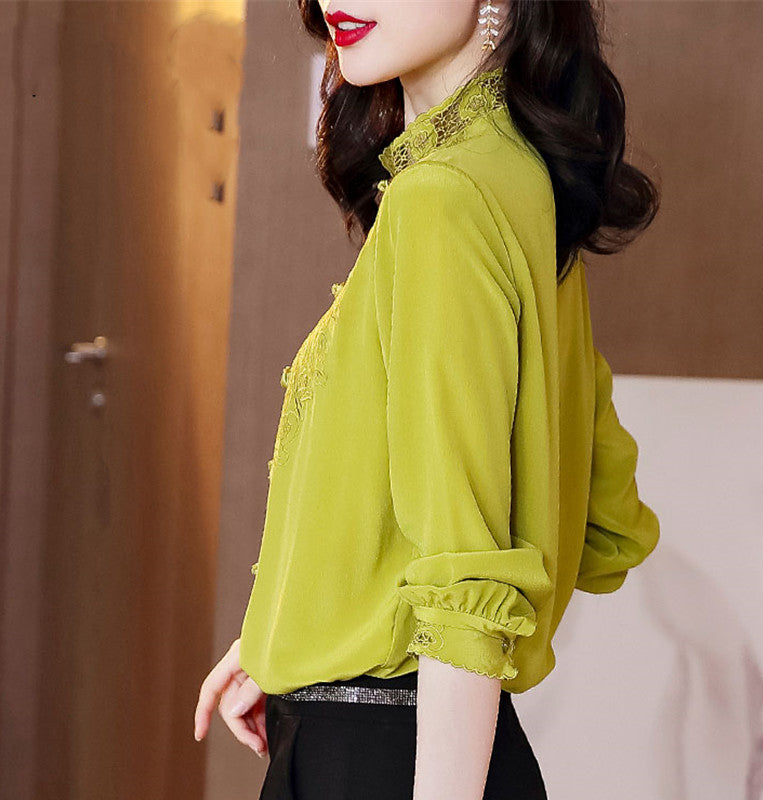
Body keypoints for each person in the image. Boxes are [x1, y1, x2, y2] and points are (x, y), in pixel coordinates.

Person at [194, 1, 662, 798]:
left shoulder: (442, 199)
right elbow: (604, 520)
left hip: (390, 759)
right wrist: (305, 625)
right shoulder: (517, 175)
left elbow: (465, 582)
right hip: (403, 738)